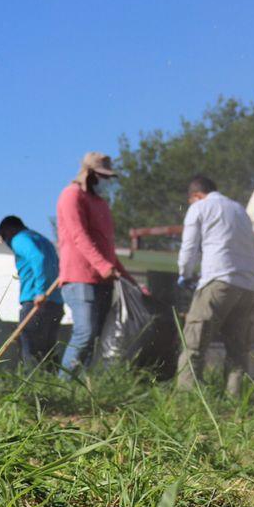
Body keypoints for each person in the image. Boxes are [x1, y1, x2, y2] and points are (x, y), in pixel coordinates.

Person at [55, 151, 142, 379]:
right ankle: (63, 383)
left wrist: (131, 281)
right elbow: (79, 236)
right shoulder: (71, 195)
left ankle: (83, 387)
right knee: (85, 332)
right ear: (89, 173)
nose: (105, 181)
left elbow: (107, 248)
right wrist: (103, 266)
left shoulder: (101, 203)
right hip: (79, 278)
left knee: (97, 338)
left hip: (103, 280)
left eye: (108, 177)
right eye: (102, 176)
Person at [176, 175, 254, 394]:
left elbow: (189, 248)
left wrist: (184, 274)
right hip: (249, 286)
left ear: (196, 195)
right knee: (237, 351)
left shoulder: (200, 207)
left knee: (194, 344)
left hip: (218, 280)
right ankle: (235, 402)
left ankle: (187, 401)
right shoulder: (240, 210)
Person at [0, 215, 63, 368]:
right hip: (55, 302)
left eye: (4, 237)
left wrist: (40, 291)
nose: (6, 242)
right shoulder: (42, 239)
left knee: (30, 351)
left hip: (36, 301)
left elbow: (38, 257)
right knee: (48, 352)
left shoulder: (19, 238)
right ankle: (53, 381)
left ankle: (32, 382)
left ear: (9, 230)